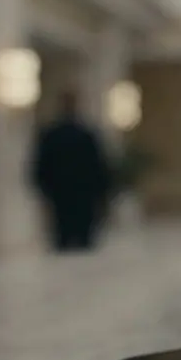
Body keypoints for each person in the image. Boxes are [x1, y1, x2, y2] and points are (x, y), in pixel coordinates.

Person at [31, 93, 113, 251]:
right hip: (73, 195)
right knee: (78, 238)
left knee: (67, 237)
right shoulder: (84, 135)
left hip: (68, 194)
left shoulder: (55, 135)